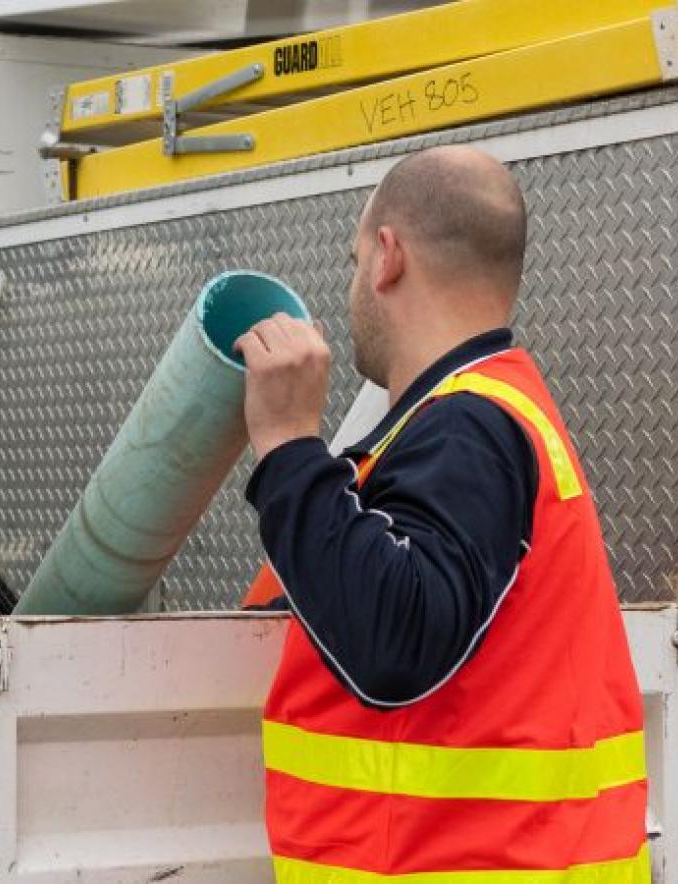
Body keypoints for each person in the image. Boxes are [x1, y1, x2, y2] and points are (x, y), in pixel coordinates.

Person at [234, 146, 650, 882]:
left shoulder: (469, 426)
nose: (354, 280)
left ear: (388, 257)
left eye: (354, 257)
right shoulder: (486, 412)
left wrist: (289, 446)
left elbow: (398, 641)